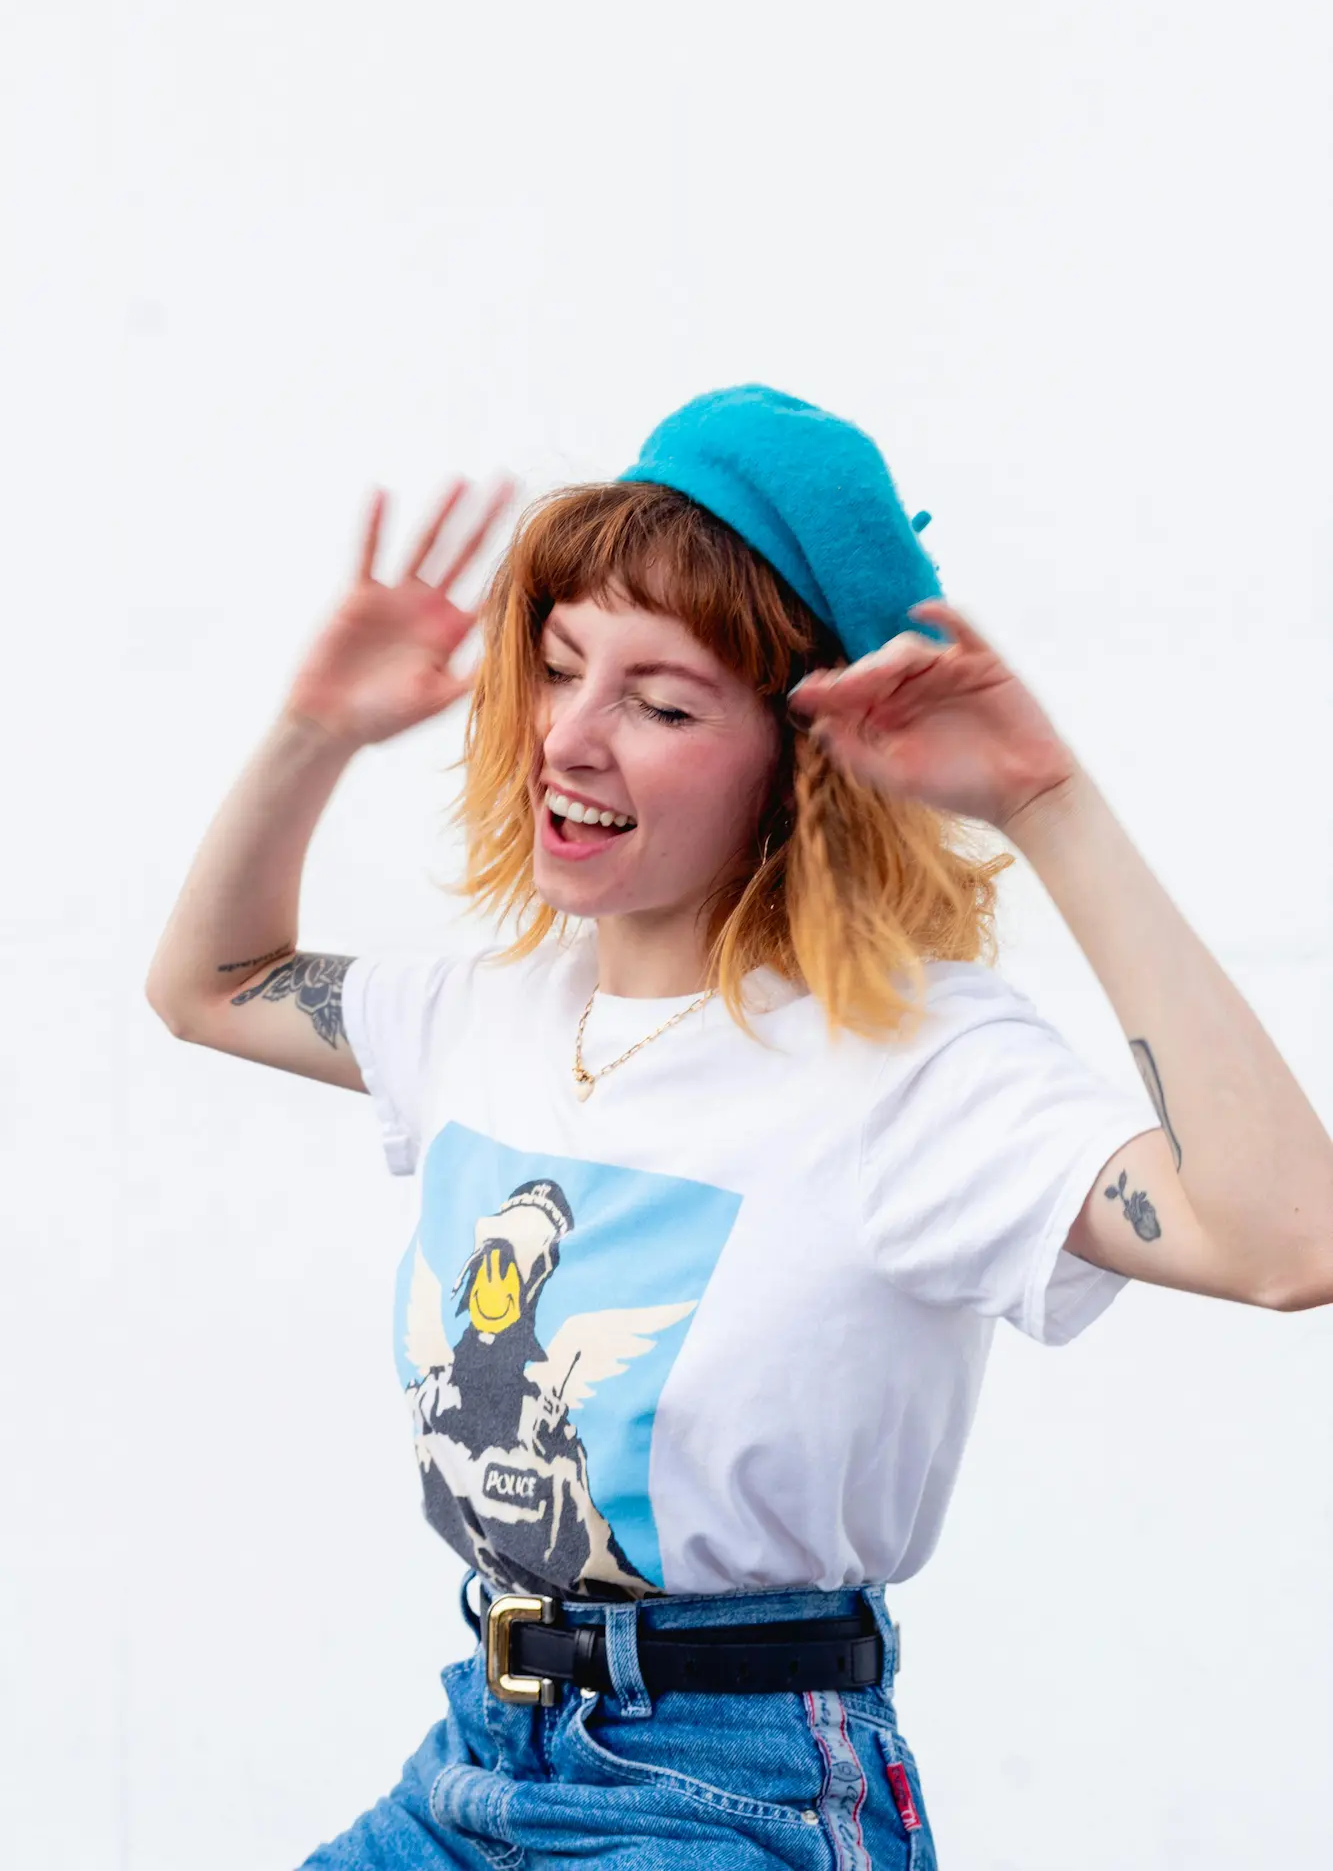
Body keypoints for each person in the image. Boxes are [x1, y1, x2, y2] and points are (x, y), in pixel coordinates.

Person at [145, 384, 1333, 1869]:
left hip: (730, 1789)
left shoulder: (912, 1072)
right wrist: (314, 732)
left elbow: (1291, 1243)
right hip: (479, 1754)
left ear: (801, 762)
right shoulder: (486, 1015)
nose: (571, 739)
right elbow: (205, 986)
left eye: (659, 704)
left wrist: (1050, 804)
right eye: (560, 668)